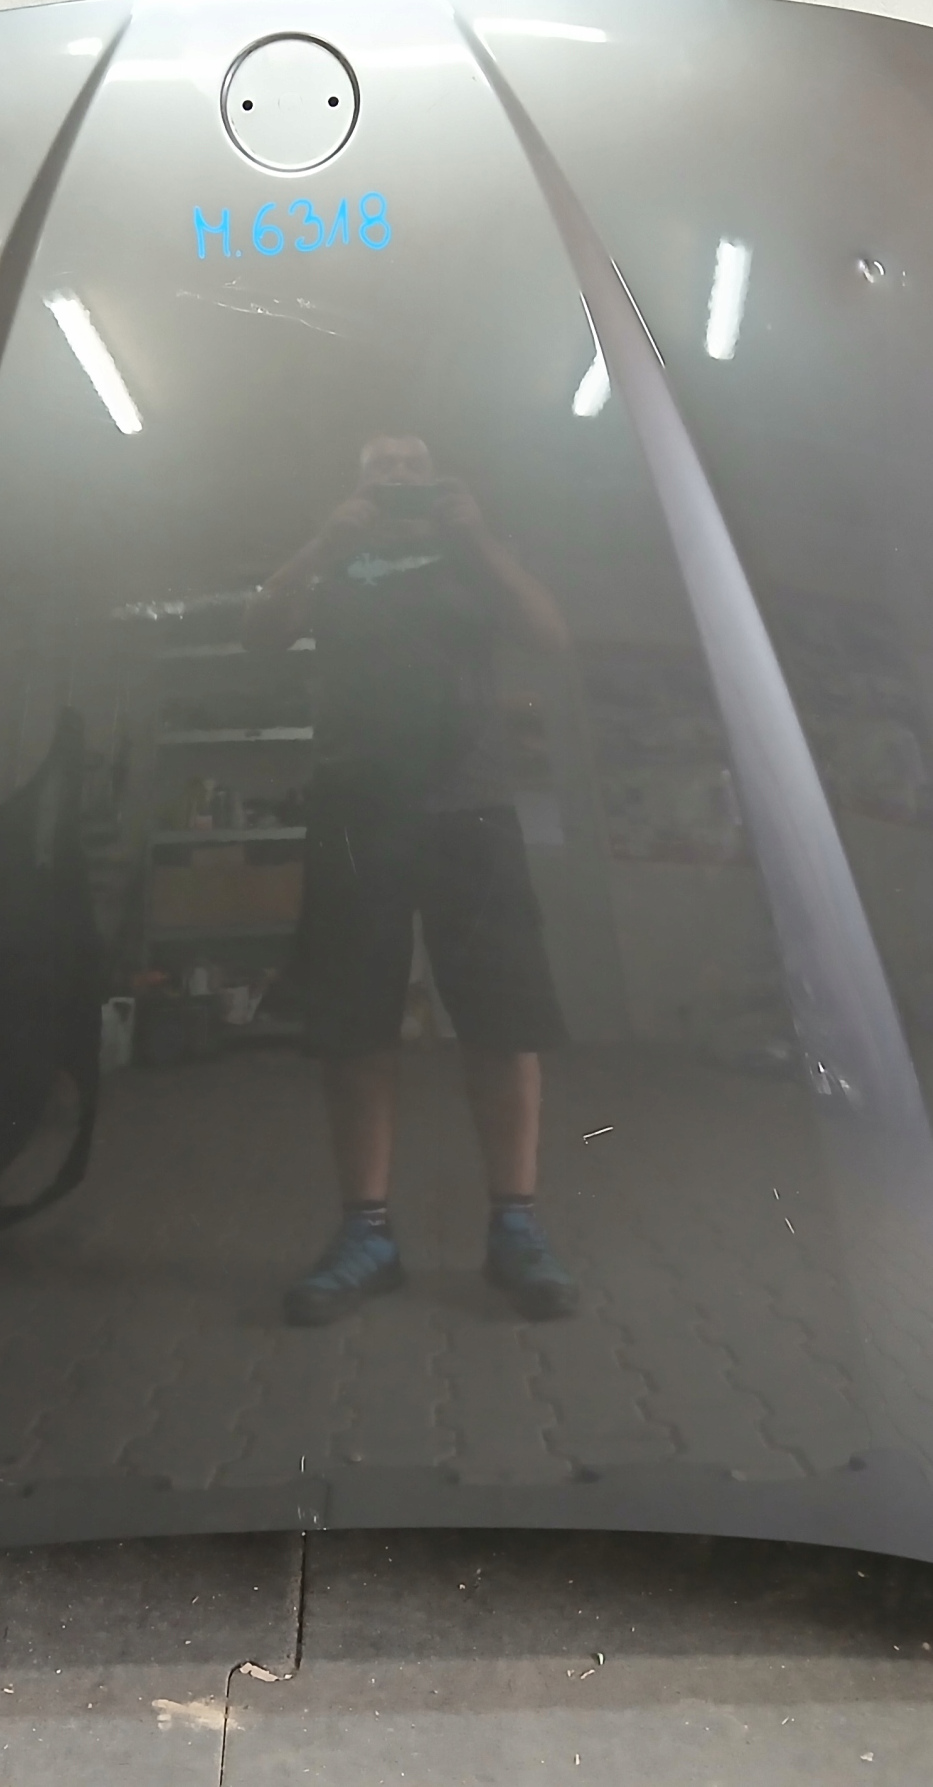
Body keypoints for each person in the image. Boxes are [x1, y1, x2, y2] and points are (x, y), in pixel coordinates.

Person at [245, 434, 580, 1325]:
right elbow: (260, 635)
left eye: (413, 463)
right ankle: (367, 1236)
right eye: (380, 465)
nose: (398, 475)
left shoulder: (473, 552)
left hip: (471, 808)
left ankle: (515, 1228)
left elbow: (550, 635)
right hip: (357, 808)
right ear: (357, 486)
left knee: (504, 1018)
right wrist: (324, 545)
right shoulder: (336, 559)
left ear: (440, 480)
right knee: (354, 1025)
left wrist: (478, 537)